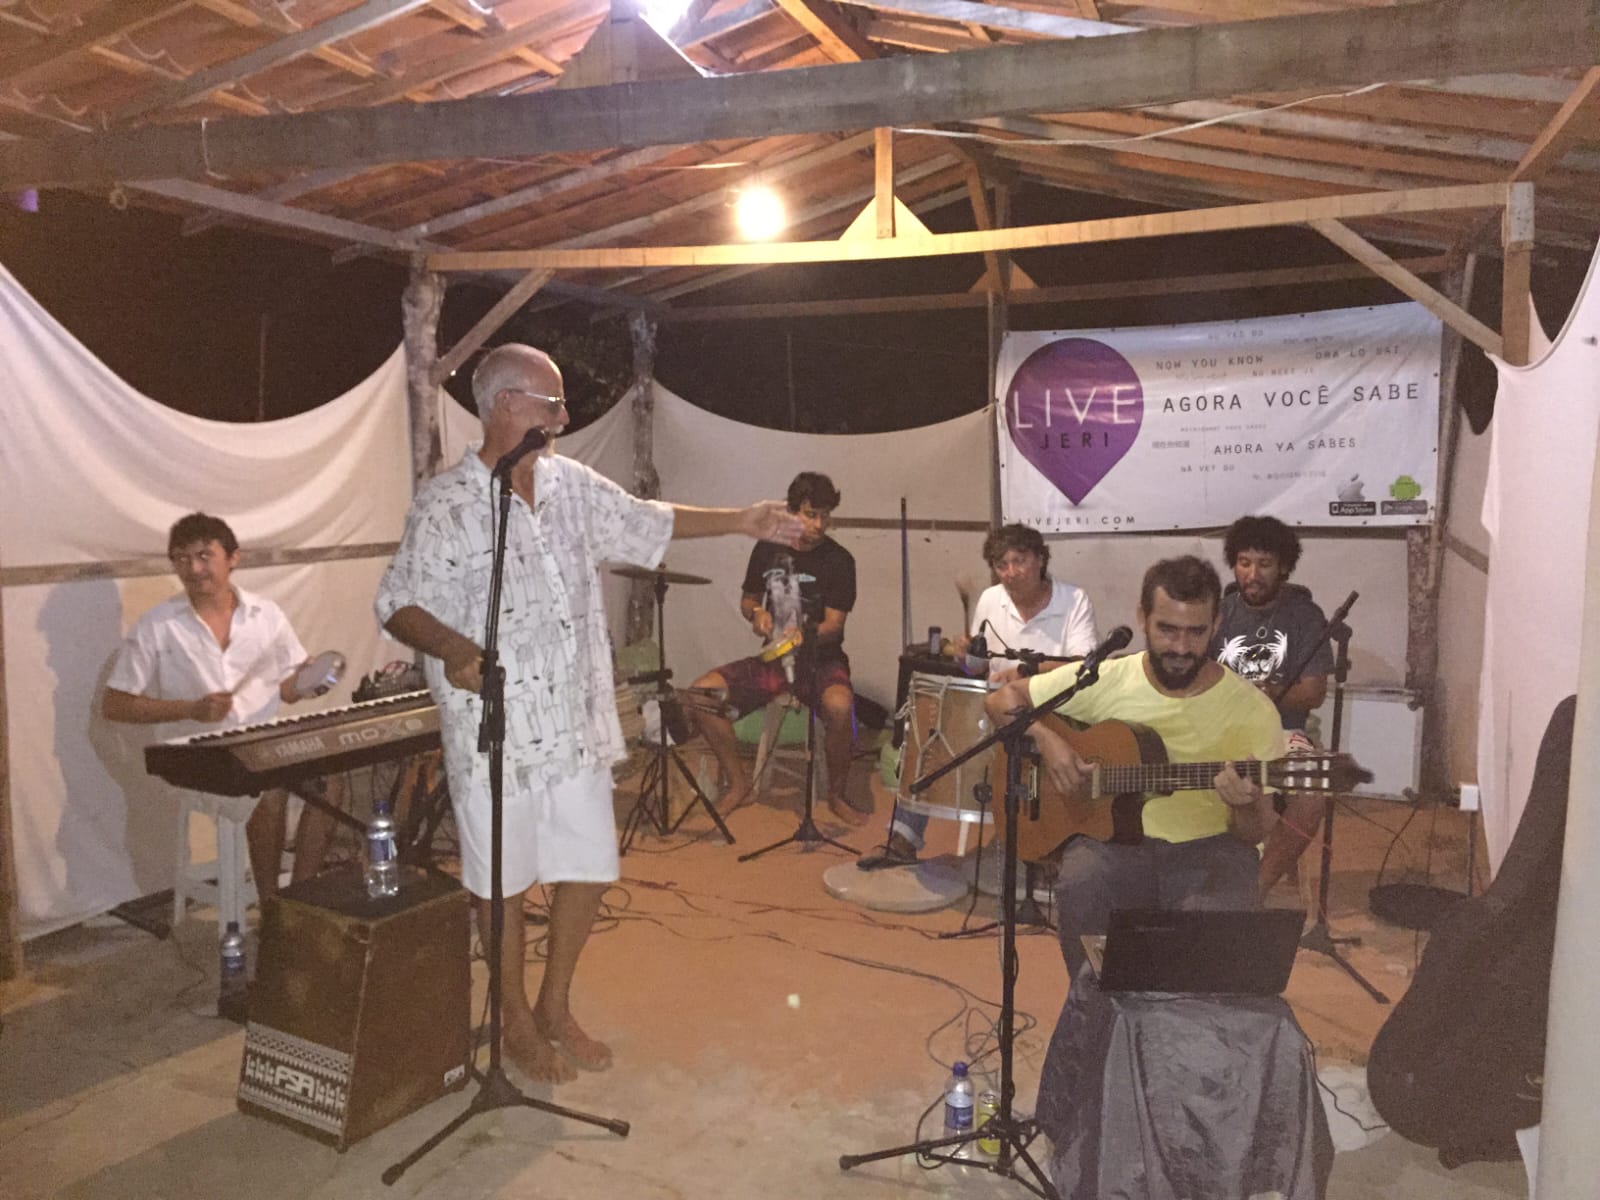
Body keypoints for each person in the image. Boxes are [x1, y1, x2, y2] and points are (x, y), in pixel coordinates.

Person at [375, 343, 802, 1086]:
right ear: (506, 405)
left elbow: (646, 521)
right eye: (553, 403)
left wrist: (742, 520)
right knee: (502, 884)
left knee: (590, 867)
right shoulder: (447, 503)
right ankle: (512, 1020)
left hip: (573, 722)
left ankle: (554, 1004)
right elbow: (397, 602)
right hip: (495, 734)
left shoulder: (570, 485)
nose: (565, 417)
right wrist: (451, 646)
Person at [985, 556, 1286, 980]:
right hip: (1114, 845)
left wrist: (1245, 804)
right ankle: (1093, 1003)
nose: (1181, 647)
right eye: (1167, 629)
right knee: (1082, 883)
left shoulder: (1253, 710)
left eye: (1196, 632)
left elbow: (1254, 833)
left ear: (1216, 623)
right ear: (1142, 617)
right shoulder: (1108, 678)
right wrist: (1048, 741)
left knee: (1210, 951)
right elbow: (1001, 700)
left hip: (1209, 849)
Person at [102, 513, 341, 905]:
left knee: (329, 782)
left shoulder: (266, 614)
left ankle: (301, 899)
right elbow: (115, 705)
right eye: (181, 558)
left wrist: (308, 680)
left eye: (204, 556)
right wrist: (189, 709)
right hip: (193, 757)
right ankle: (273, 908)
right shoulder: (158, 625)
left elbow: (288, 690)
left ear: (233, 558)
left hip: (259, 743)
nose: (193, 569)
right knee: (269, 790)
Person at [860, 523, 1098, 869]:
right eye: (1002, 565)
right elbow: (977, 669)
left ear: (1040, 559)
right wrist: (966, 656)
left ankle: (1045, 846)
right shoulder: (990, 599)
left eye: (1020, 561)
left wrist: (1025, 673)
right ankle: (902, 837)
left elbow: (1082, 666)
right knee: (932, 727)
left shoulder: (1072, 600)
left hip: (1051, 710)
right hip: (996, 707)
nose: (1011, 573)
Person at [688, 471, 862, 828]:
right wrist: (758, 614)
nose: (819, 524)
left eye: (825, 516)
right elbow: (748, 600)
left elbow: (834, 625)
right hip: (774, 660)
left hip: (821, 660)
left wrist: (804, 635)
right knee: (701, 695)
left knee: (840, 707)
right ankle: (739, 783)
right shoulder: (767, 548)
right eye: (811, 514)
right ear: (792, 512)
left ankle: (837, 795)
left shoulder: (840, 560)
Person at [1209, 515, 1334, 898]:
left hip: (1285, 730)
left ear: (1283, 567)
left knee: (1311, 793)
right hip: (1220, 732)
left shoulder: (1305, 616)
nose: (1253, 574)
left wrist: (1259, 691)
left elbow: (1312, 692)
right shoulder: (1219, 613)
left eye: (1264, 564)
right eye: (1244, 563)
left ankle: (1254, 890)